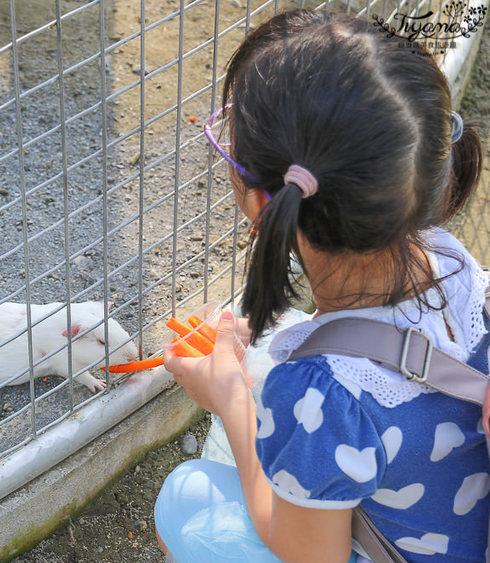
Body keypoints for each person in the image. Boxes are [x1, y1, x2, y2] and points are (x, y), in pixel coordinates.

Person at [155, 8, 486, 562]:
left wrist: (230, 400)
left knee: (185, 496)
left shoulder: (321, 394)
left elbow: (310, 555)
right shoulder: (454, 263)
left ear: (262, 199)